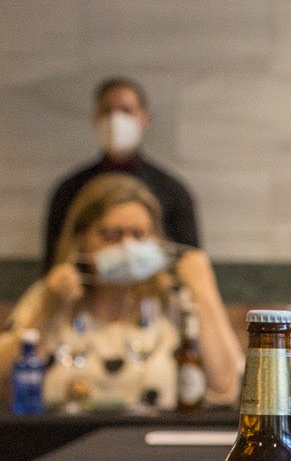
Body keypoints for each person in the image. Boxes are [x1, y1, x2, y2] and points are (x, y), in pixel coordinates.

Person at [1, 173, 242, 411]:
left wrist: (204, 290)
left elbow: (226, 388)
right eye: (112, 235)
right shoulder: (51, 296)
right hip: (63, 442)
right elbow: (4, 387)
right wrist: (49, 308)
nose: (128, 247)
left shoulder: (174, 302)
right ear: (81, 238)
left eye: (139, 235)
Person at [42, 77, 201, 272]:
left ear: (144, 118)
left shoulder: (173, 191)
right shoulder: (70, 190)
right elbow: (55, 263)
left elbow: (190, 263)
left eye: (126, 111)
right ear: (95, 118)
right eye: (111, 235)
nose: (116, 119)